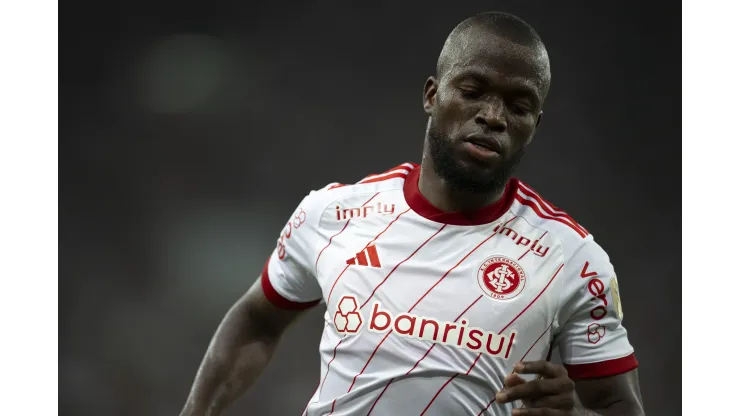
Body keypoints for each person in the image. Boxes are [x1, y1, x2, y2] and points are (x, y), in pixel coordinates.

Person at [180, 11, 645, 416]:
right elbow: (257, 320)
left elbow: (620, 407)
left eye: (518, 105)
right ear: (431, 95)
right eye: (472, 90)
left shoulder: (572, 259)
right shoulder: (332, 215)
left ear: (534, 125)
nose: (493, 115)